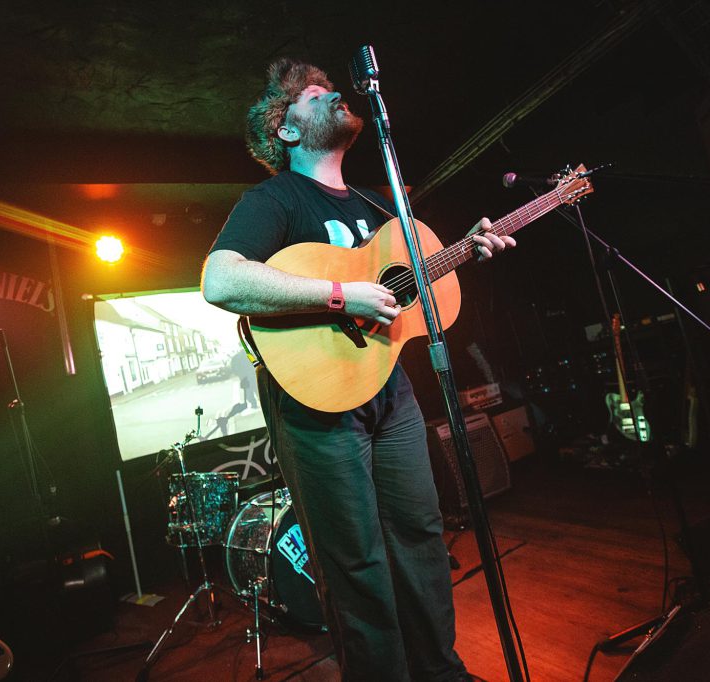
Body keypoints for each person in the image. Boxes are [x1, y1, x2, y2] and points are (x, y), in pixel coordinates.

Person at [201, 58, 514, 681]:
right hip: (315, 402)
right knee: (354, 561)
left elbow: (409, 288)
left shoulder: (378, 203)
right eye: (314, 94)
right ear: (287, 129)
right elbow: (221, 280)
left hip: (390, 389)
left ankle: (440, 672)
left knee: (421, 534)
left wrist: (465, 251)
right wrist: (341, 295)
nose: (334, 94)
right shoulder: (275, 199)